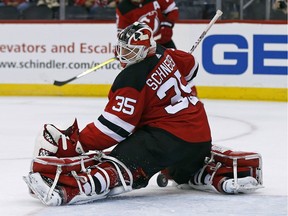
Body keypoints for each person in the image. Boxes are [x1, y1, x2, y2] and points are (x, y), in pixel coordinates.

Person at [23, 22, 263, 206]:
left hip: (163, 140)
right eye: (123, 49)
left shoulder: (132, 77)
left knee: (119, 164)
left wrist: (80, 143)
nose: (123, 55)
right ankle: (209, 172)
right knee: (184, 167)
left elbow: (114, 128)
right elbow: (191, 67)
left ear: (143, 50)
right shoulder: (168, 54)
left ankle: (71, 187)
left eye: (128, 51)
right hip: (200, 139)